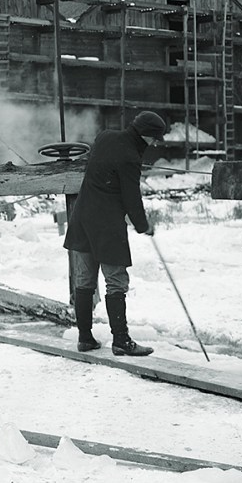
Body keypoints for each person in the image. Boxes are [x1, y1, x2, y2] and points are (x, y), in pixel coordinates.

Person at [63, 110, 167, 356]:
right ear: (145, 135)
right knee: (116, 282)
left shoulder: (105, 136)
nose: (155, 144)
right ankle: (121, 341)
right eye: (155, 138)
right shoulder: (130, 156)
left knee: (84, 281)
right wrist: (143, 225)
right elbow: (131, 197)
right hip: (107, 225)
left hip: (82, 217)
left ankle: (85, 338)